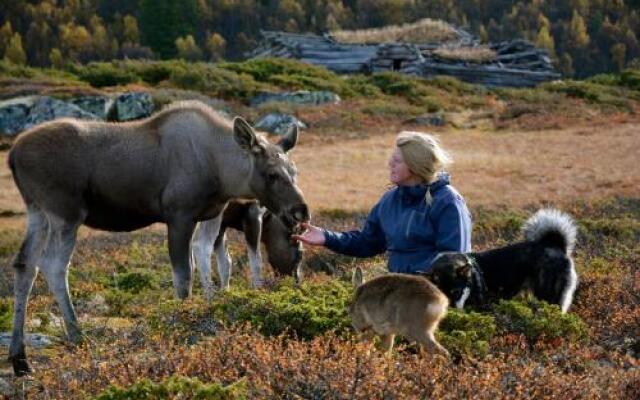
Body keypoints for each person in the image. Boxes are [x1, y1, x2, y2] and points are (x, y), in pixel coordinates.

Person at [293, 131, 471, 274]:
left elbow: (455, 261)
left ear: (415, 165)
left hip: (438, 295)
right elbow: (367, 243)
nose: (389, 164)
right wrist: (326, 237)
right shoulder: (390, 200)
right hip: (399, 291)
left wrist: (419, 280)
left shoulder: (447, 202)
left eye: (397, 161)